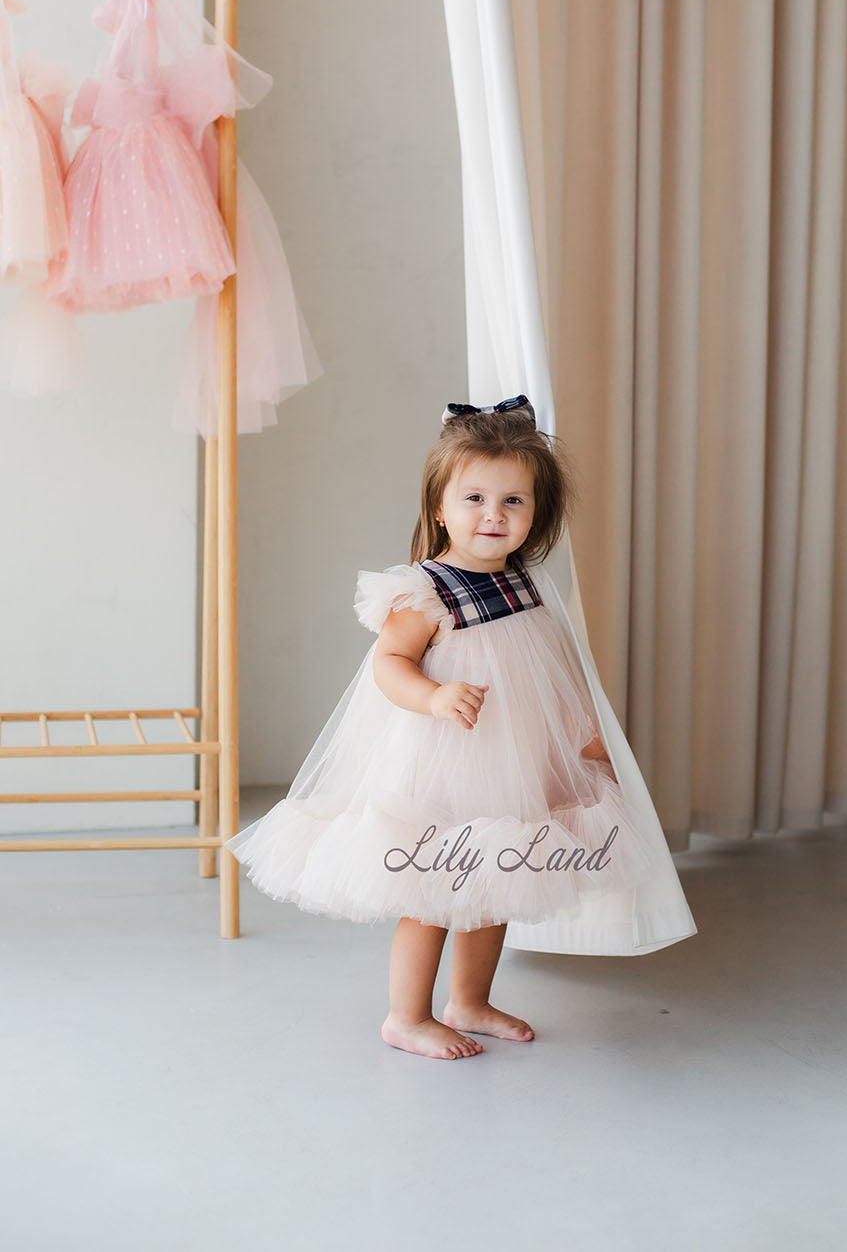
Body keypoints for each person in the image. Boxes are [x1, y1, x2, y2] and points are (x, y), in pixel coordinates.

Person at [225, 395, 690, 1060]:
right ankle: (405, 1015)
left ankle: (469, 1000)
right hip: (444, 761)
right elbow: (389, 663)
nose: (493, 516)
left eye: (513, 503)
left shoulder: (529, 586)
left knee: (496, 879)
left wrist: (581, 732)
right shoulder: (426, 589)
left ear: (538, 514)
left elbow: (551, 672)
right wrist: (433, 696)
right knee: (434, 893)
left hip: (515, 764)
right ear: (439, 506)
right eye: (473, 499)